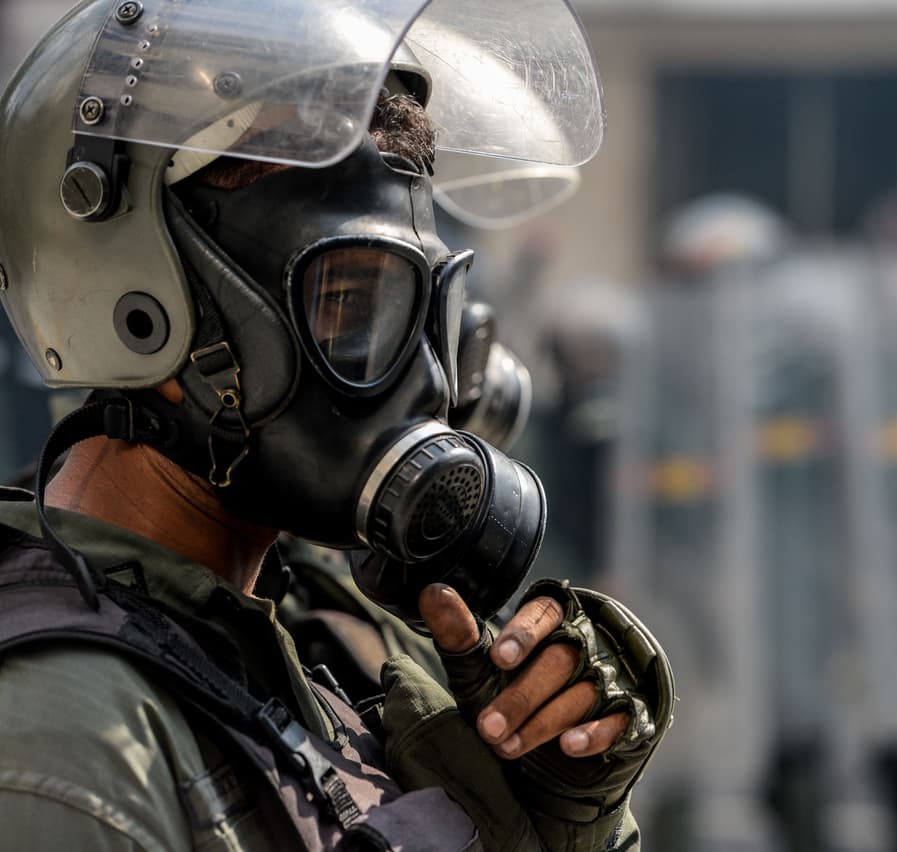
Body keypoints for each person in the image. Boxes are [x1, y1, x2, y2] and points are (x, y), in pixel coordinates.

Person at [0, 1, 673, 849]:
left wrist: (564, 816)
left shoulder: (319, 655)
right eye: (352, 303)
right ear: (139, 312)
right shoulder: (68, 748)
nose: (428, 380)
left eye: (434, 313)